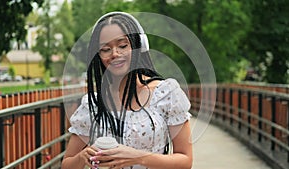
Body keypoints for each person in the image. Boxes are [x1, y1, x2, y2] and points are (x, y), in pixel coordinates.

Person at [62, 11, 192, 169]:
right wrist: (82, 157)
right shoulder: (94, 105)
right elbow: (67, 164)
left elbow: (185, 160)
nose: (115, 54)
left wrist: (139, 158)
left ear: (138, 46)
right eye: (105, 49)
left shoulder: (166, 93)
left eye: (123, 45)